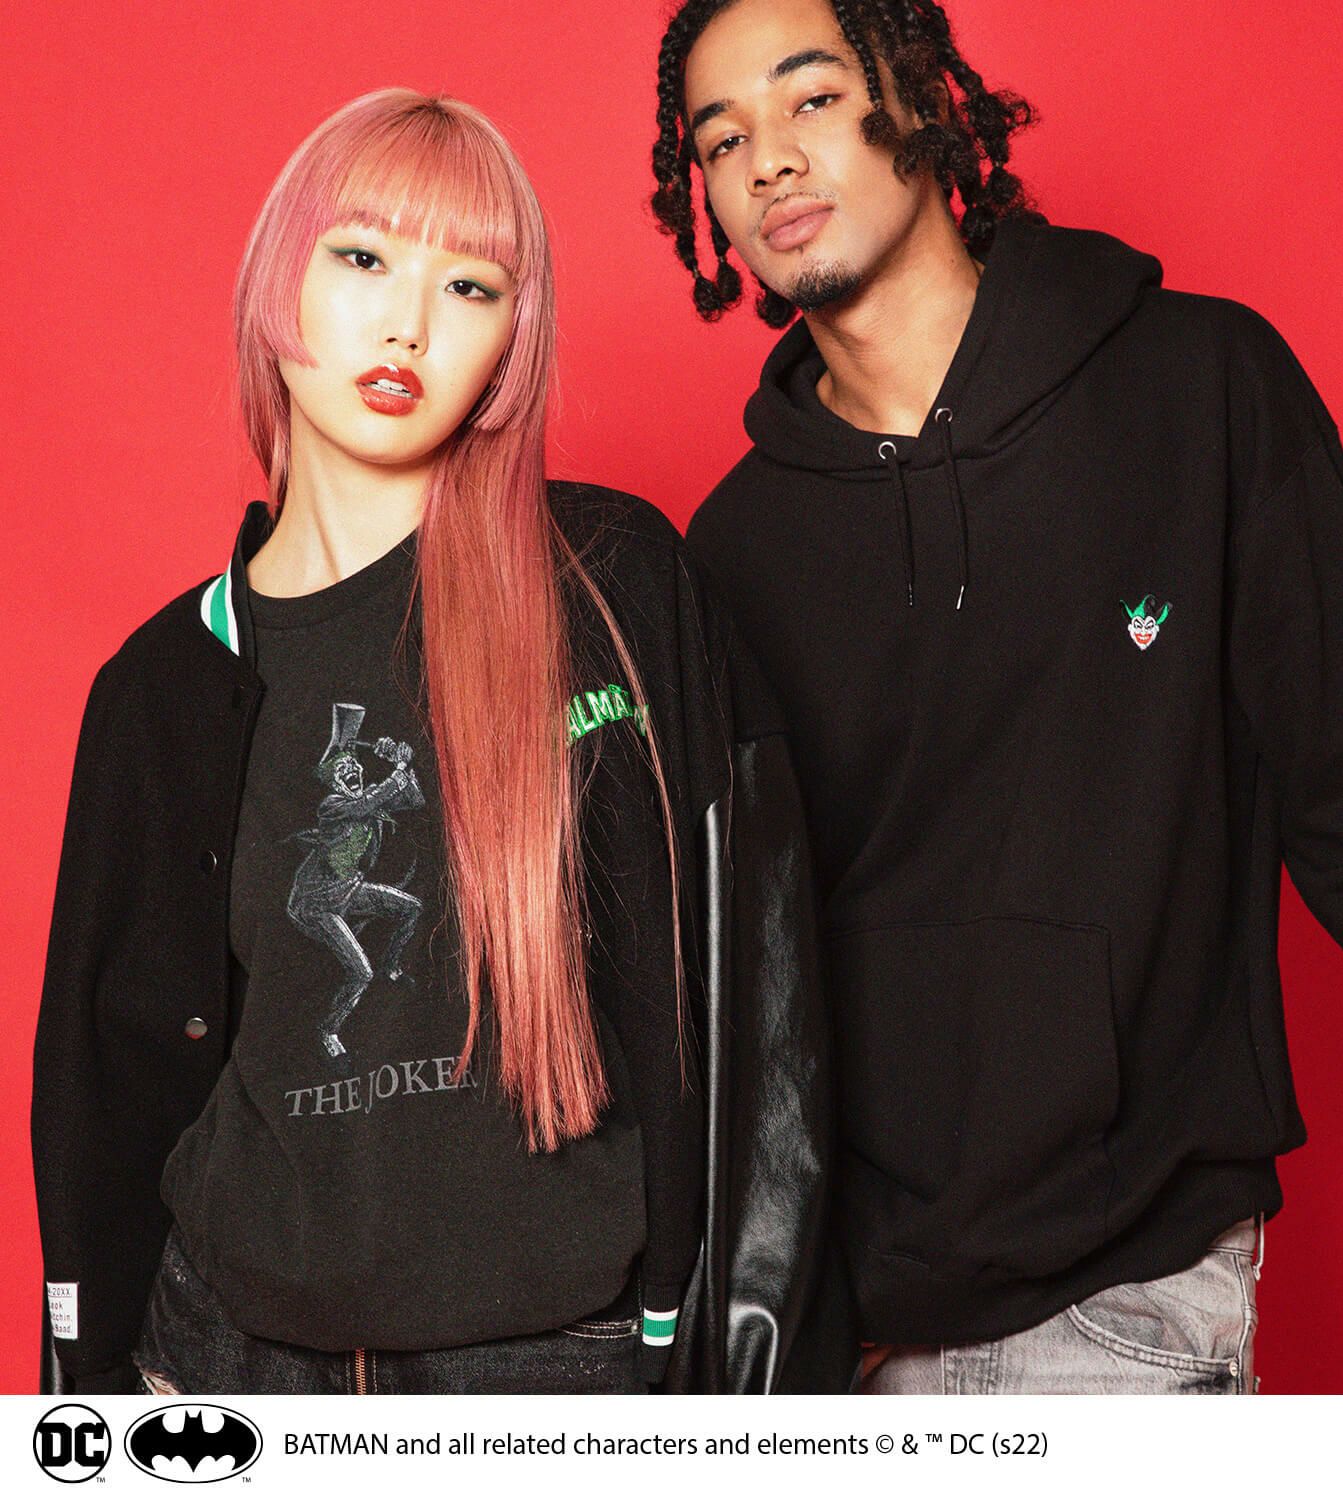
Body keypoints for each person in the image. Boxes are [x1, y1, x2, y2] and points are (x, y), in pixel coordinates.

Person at [652, 0, 1343, 1394]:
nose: (770, 161)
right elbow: (743, 971)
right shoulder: (735, 549)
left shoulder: (1195, 390)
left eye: (808, 99)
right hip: (850, 1332)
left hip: (1130, 1298)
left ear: (917, 95)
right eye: (723, 137)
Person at [33, 88, 833, 1396]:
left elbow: (759, 981)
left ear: (514, 338)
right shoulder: (161, 684)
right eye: (362, 258)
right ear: (278, 279)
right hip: (227, 1357)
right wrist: (94, 1400)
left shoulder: (611, 582)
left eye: (470, 286)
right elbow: (102, 1081)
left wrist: (726, 1351)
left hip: (551, 1364)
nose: (407, 322)